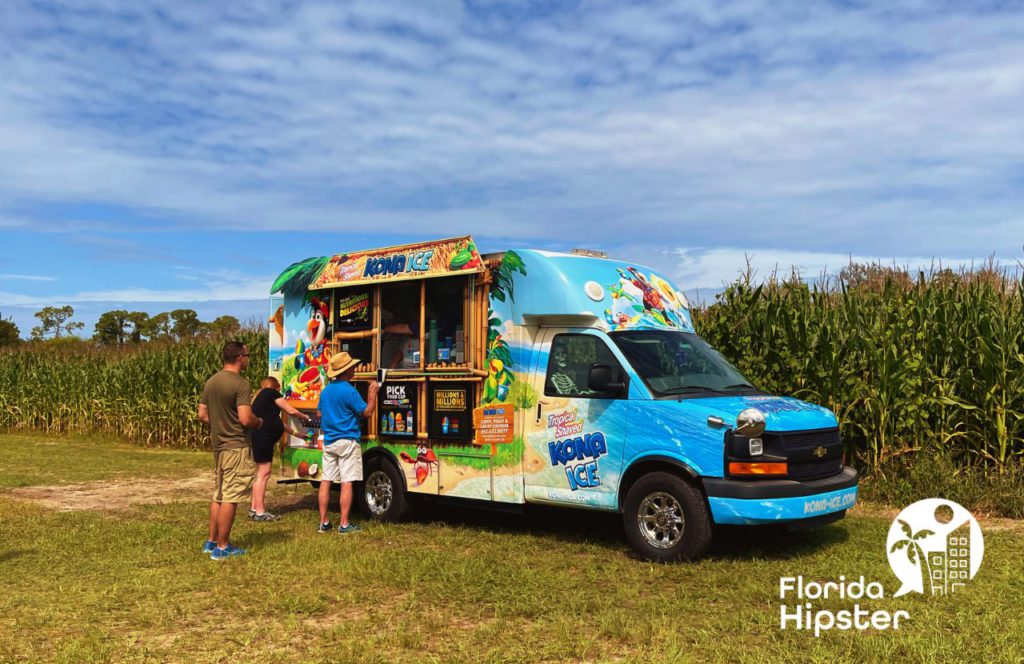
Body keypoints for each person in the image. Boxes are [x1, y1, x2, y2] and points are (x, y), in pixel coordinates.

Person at [198, 341, 263, 560]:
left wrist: (221, 423)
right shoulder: (240, 383)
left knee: (218, 495)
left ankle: (211, 541)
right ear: (240, 358)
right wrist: (259, 422)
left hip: (219, 447)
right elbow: (245, 418)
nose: (248, 359)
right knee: (231, 496)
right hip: (236, 446)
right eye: (247, 355)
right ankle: (223, 547)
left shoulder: (211, 381)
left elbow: (202, 414)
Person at [317, 351, 378, 534]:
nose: (354, 369)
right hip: (347, 440)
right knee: (347, 482)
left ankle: (324, 523)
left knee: (326, 480)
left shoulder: (326, 391)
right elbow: (367, 412)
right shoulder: (349, 391)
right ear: (346, 371)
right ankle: (344, 524)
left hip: (329, 440)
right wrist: (372, 394)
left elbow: (319, 413)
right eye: (352, 367)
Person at [249, 376, 310, 522]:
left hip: (260, 437)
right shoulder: (271, 393)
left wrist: (297, 434)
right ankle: (260, 512)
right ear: (276, 387)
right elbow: (290, 411)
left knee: (260, 474)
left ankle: (254, 509)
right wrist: (304, 417)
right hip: (263, 438)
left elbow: (277, 422)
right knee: (264, 474)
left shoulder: (262, 398)